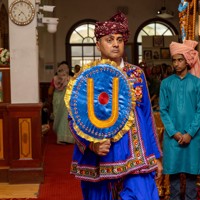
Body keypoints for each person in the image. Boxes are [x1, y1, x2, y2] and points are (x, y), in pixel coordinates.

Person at [66, 12, 162, 199]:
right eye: (109, 40)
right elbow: (73, 119)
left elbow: (147, 115)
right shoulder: (86, 77)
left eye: (119, 39)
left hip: (136, 156)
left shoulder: (136, 74)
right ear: (98, 44)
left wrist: (156, 156)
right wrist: (92, 144)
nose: (116, 44)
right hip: (100, 157)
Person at [159, 40, 200, 200]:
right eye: (174, 60)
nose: (176, 64)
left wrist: (189, 133)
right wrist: (175, 133)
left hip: (193, 136)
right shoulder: (166, 83)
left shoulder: (197, 83)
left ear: (187, 61)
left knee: (191, 176)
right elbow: (163, 110)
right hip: (173, 138)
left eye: (180, 59)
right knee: (174, 177)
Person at [48, 61, 74, 144]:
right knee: (66, 119)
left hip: (57, 101)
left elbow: (50, 92)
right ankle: (68, 138)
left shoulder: (55, 79)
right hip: (67, 100)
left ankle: (60, 138)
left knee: (58, 118)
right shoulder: (70, 78)